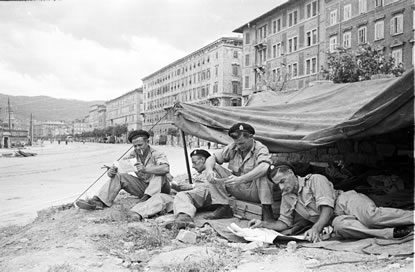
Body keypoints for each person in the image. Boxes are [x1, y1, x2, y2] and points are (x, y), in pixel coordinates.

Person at [249, 162, 414, 242]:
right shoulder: (287, 197)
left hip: (346, 202)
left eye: (283, 181)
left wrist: (315, 229)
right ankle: (392, 233)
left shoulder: (315, 179)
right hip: (335, 219)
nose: (282, 186)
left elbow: (326, 208)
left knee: (371, 218)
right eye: (278, 184)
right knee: (342, 228)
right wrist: (263, 224)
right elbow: (284, 223)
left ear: (291, 173)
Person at [128, 149, 232, 228]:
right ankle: (137, 213)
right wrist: (177, 186)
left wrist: (192, 186)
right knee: (162, 197)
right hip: (192, 198)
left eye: (195, 162)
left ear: (203, 160)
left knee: (182, 195)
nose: (192, 166)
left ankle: (184, 218)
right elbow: (192, 189)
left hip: (209, 198)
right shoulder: (198, 174)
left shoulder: (214, 169)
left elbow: (219, 185)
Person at [76, 129, 171, 210]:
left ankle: (147, 200)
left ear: (147, 142)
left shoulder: (157, 153)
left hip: (161, 188)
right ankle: (99, 201)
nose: (137, 148)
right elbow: (119, 168)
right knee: (120, 177)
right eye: (135, 146)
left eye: (140, 145)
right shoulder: (132, 155)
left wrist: (145, 169)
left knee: (159, 174)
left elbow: (165, 168)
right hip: (144, 188)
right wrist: (111, 172)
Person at [205, 122, 274, 221]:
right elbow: (212, 158)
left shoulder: (260, 148)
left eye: (242, 143)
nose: (239, 146)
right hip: (237, 188)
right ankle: (224, 207)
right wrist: (209, 170)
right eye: (236, 143)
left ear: (250, 137)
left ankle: (267, 213)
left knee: (263, 173)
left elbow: (264, 166)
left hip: (255, 192)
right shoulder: (233, 146)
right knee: (214, 167)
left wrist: (241, 179)